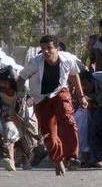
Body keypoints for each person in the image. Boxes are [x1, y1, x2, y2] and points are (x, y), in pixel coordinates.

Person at [18, 35, 88, 176]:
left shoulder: (67, 59)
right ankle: (57, 159)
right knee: (48, 134)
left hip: (59, 92)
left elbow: (74, 76)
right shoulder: (35, 62)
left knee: (68, 120)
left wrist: (81, 97)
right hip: (41, 98)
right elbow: (21, 77)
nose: (46, 52)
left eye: (49, 48)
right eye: (43, 49)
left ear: (57, 48)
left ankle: (72, 157)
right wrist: (19, 97)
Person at [0, 65, 41, 171]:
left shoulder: (22, 87)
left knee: (28, 140)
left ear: (10, 80)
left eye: (4, 81)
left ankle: (26, 159)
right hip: (7, 113)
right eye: (0, 81)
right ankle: (10, 160)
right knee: (10, 132)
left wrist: (20, 120)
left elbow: (26, 102)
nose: (1, 84)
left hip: (25, 112)